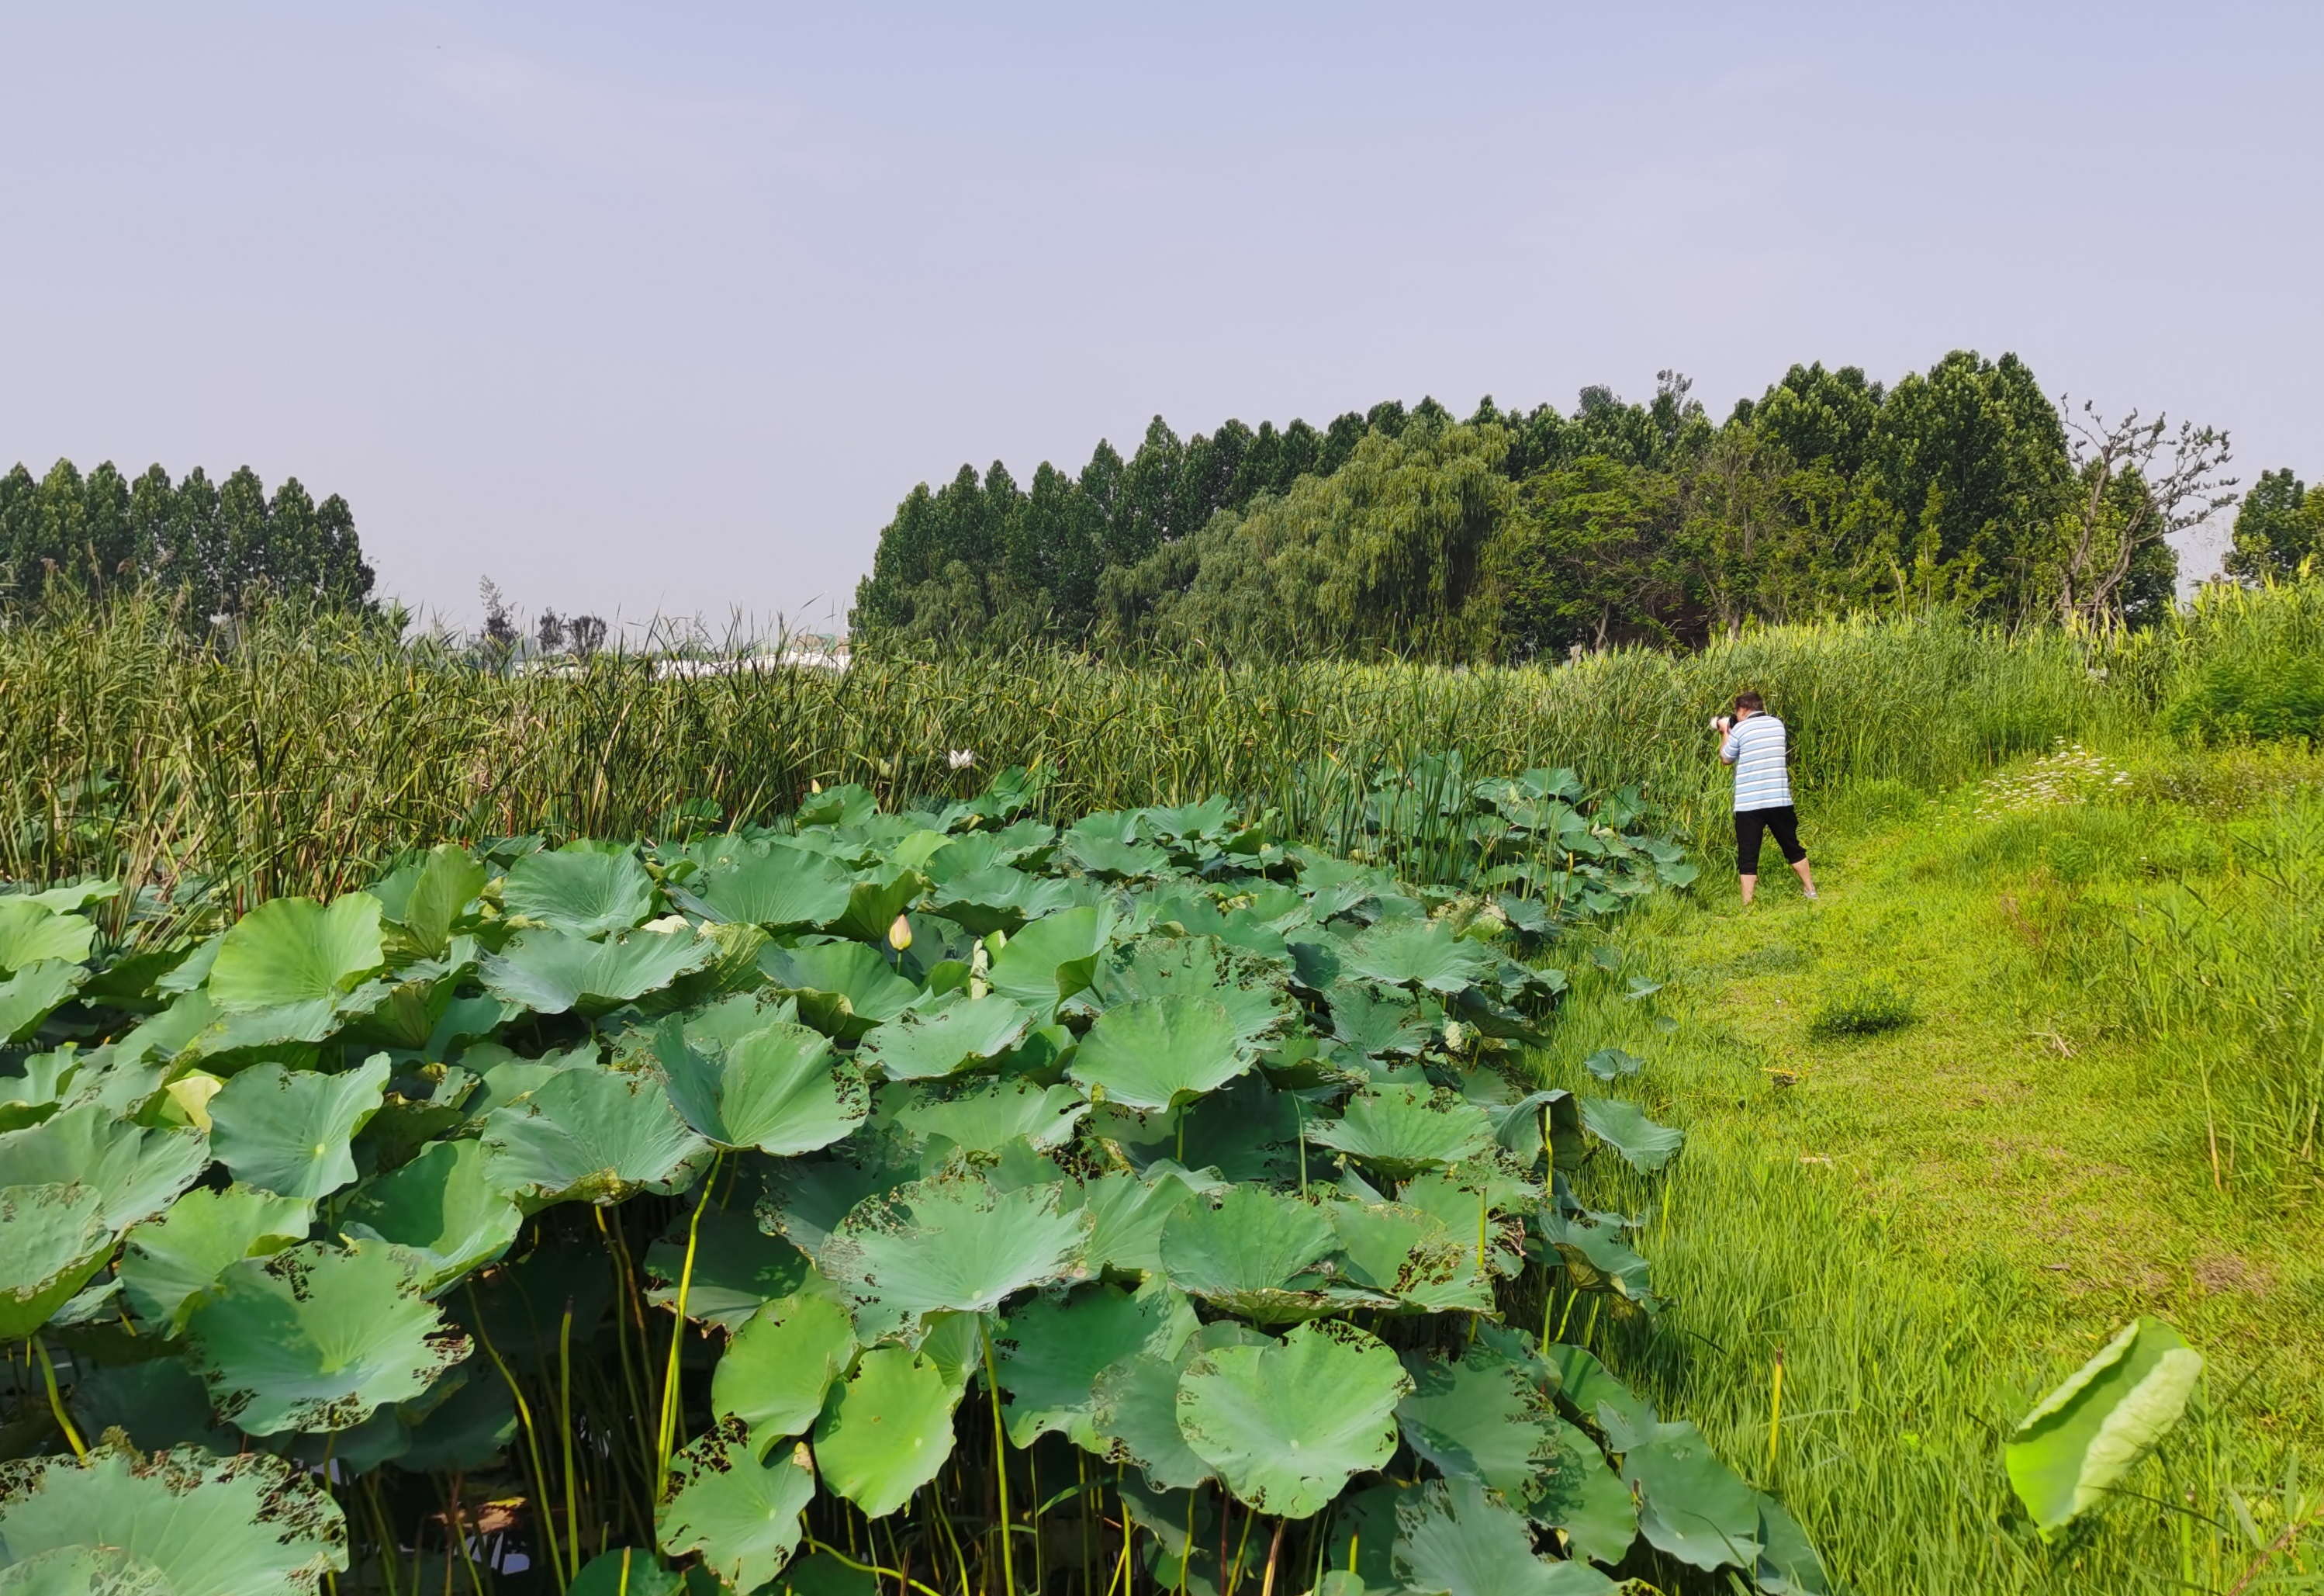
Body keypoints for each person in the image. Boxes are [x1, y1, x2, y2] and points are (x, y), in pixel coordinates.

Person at [1712, 691, 1816, 905]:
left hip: (1749, 804)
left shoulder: (1739, 730)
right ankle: (1810, 890)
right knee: (1792, 847)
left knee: (1748, 856)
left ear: (1742, 709)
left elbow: (1726, 758)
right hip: (1780, 800)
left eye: (1736, 711)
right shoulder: (1778, 725)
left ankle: (1748, 904)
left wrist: (1725, 731)